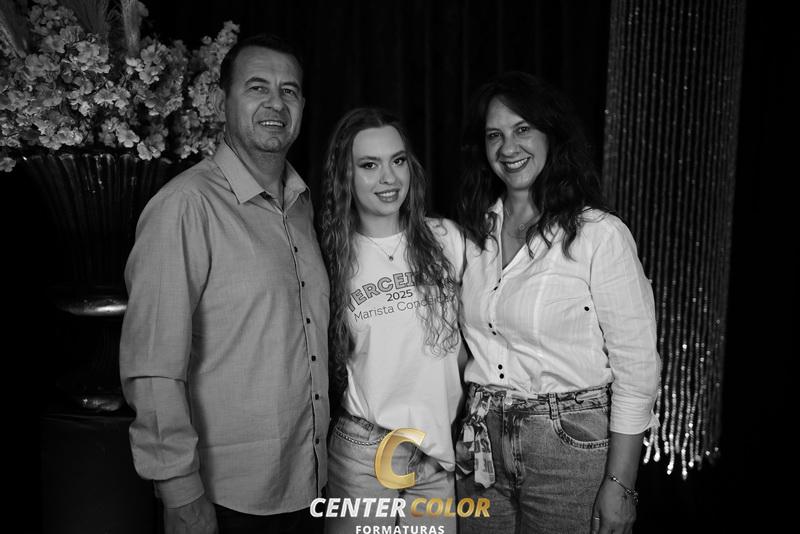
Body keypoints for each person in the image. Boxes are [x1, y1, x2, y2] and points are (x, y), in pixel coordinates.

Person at [120, 34, 329, 534]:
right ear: (221, 102)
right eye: (257, 87)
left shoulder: (303, 207)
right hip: (225, 500)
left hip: (310, 485)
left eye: (289, 91)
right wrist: (180, 493)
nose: (275, 103)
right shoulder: (185, 207)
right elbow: (152, 366)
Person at [454, 71, 661, 534]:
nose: (508, 147)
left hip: (567, 445)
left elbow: (637, 370)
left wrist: (621, 484)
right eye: (494, 135)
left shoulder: (598, 235)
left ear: (551, 134)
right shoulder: (472, 234)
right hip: (480, 446)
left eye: (522, 129)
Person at [319, 108, 465, 534]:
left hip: (437, 455)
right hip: (364, 452)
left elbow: (475, 340)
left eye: (397, 161)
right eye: (369, 165)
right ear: (345, 176)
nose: (388, 178)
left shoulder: (447, 239)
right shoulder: (331, 257)